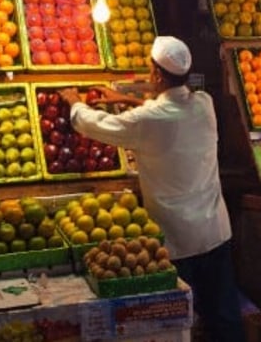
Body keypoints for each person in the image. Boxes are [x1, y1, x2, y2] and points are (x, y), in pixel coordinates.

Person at [60, 36, 246, 342]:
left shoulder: (148, 120)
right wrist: (132, 101)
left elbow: (98, 125)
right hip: (214, 231)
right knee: (223, 317)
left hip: (176, 240)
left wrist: (74, 103)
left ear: (157, 75)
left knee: (178, 321)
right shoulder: (204, 104)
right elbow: (170, 113)